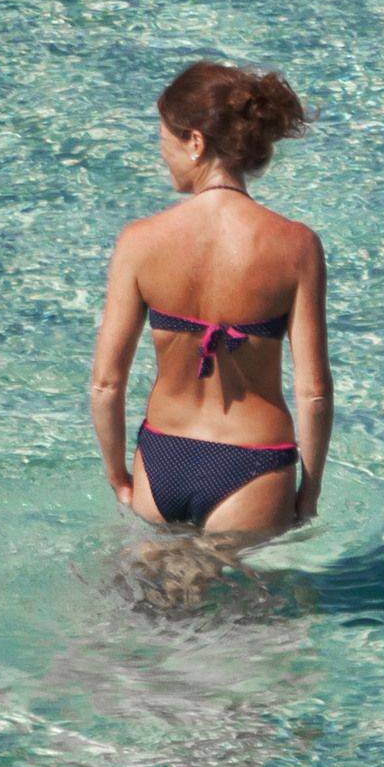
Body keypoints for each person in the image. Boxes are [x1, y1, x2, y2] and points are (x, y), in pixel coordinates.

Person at [90, 62, 332, 541]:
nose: (163, 157)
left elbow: (105, 384)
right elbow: (314, 392)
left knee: (145, 607)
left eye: (166, 141)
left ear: (195, 142)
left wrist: (118, 475)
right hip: (254, 464)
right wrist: (311, 489)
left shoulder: (139, 242)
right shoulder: (297, 246)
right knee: (249, 613)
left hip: (162, 458)